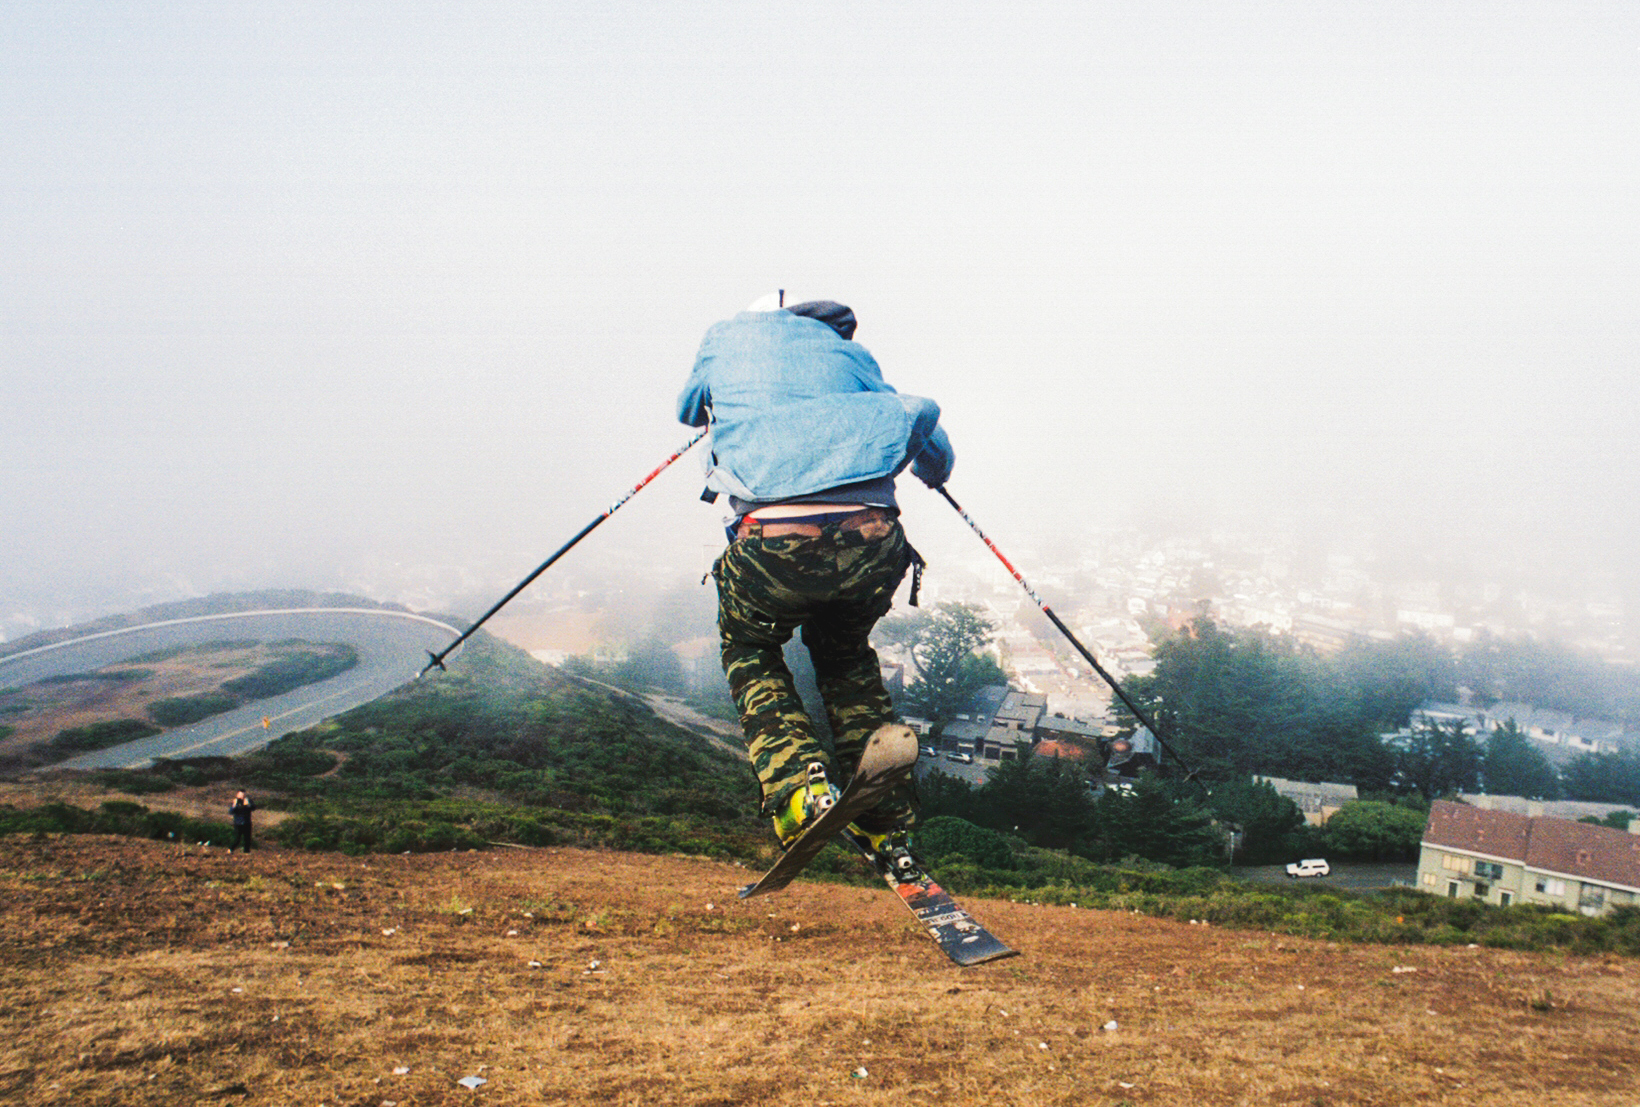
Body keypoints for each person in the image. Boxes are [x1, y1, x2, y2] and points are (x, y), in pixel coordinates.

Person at [678, 293, 954, 858]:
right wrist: (930, 471)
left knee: (751, 647)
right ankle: (884, 809)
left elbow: (688, 409)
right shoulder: (850, 356)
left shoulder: (725, 336)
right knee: (844, 651)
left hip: (775, 541)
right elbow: (937, 454)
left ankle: (800, 791)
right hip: (873, 537)